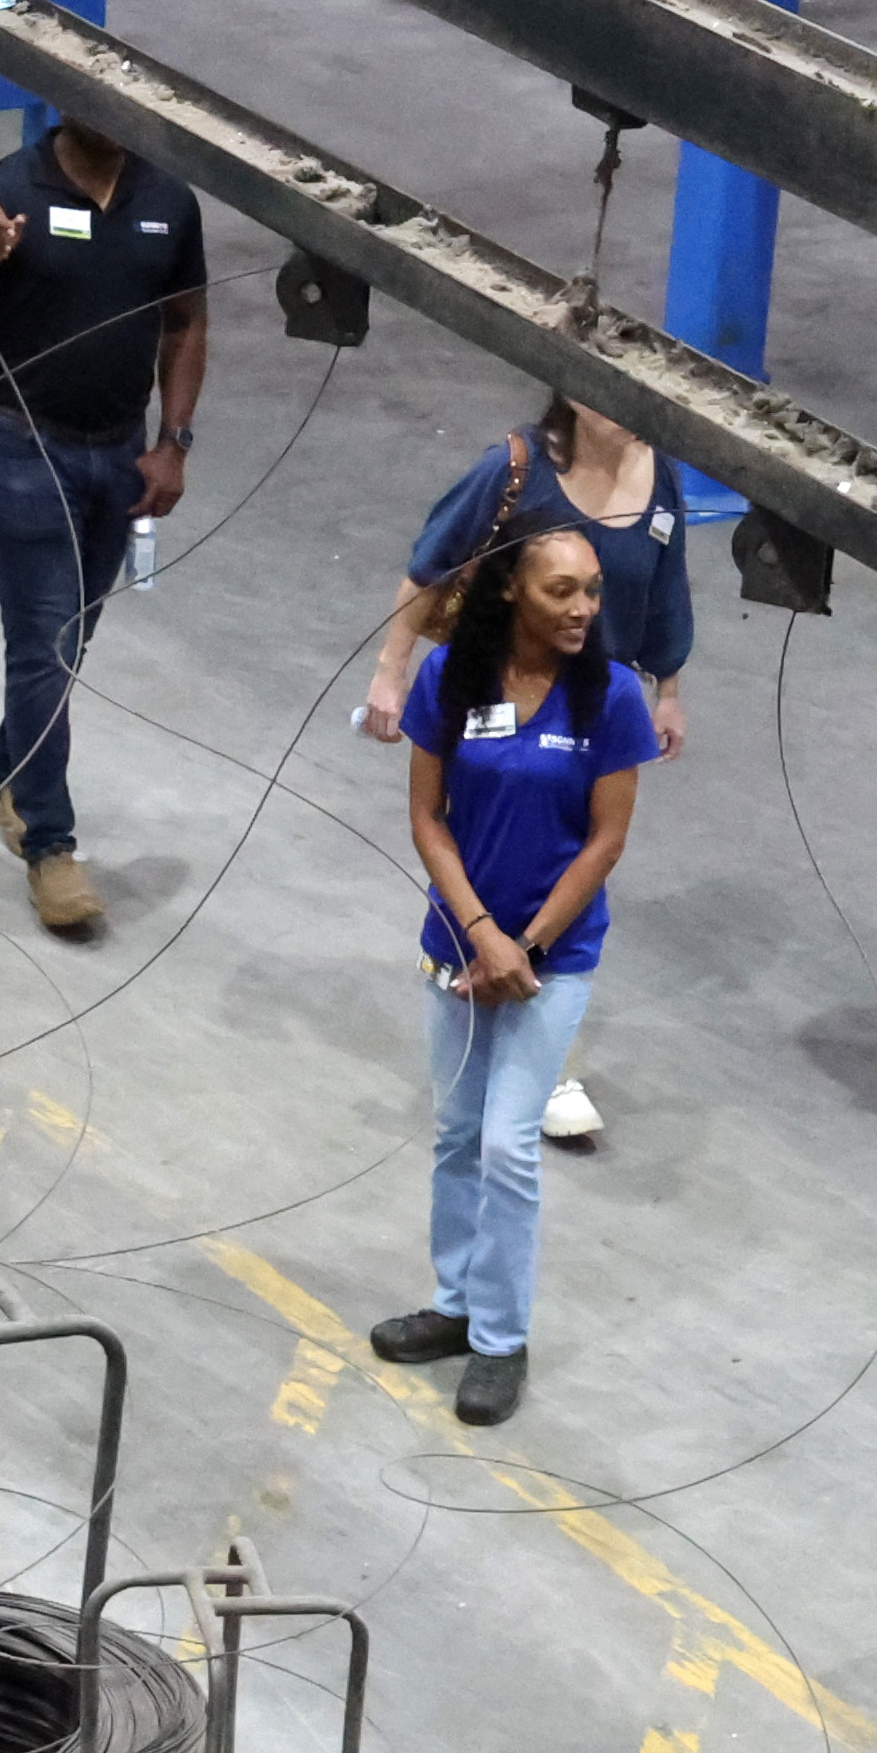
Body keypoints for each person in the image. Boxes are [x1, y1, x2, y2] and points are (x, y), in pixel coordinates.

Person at [360, 523, 659, 1428]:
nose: (582, 609)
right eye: (561, 591)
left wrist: (521, 948)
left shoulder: (609, 697)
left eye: (593, 592)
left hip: (550, 961)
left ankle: (500, 1340)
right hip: (457, 949)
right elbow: (427, 819)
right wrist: (480, 935)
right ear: (508, 593)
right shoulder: (448, 680)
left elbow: (606, 840)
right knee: (456, 1132)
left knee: (506, 1144)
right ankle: (456, 1306)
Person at [360, 396, 697, 1148]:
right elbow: (431, 562)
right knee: (496, 846)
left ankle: (544, 1035)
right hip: (505, 690)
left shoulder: (659, 479)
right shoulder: (515, 468)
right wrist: (392, 669)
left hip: (593, 710)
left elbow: (666, 588)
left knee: (573, 852)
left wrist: (667, 689)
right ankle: (523, 1021)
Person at [0, 112, 207, 943]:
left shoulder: (168, 202)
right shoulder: (4, 192)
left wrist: (172, 442)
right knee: (43, 640)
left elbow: (185, 323)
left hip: (116, 460)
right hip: (19, 448)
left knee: (66, 640)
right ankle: (51, 843)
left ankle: (13, 770)